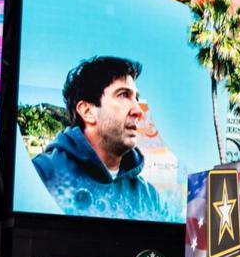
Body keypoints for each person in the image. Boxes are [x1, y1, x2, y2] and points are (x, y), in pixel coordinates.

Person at [32, 56, 166, 220]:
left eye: (136, 98)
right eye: (124, 95)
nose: (139, 111)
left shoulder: (149, 198)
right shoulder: (41, 175)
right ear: (88, 112)